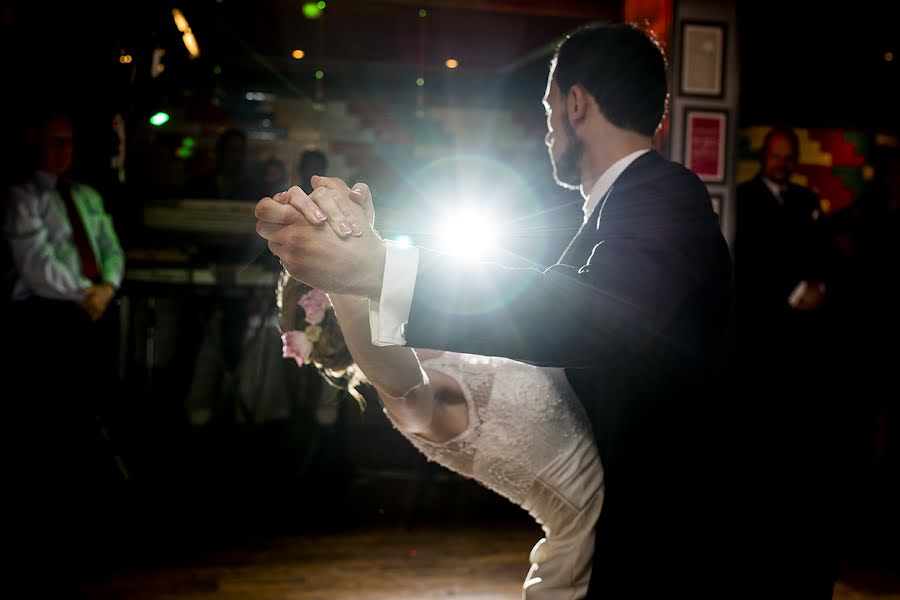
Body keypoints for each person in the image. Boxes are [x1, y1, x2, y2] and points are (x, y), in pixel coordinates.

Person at [257, 23, 759, 598]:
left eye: (547, 108)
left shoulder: (663, 193)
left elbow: (594, 318)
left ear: (574, 104)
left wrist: (377, 270)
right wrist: (358, 275)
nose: (546, 130)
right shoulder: (613, 215)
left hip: (692, 546)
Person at [276, 271, 604, 599]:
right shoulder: (406, 397)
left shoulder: (447, 344)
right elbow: (389, 371)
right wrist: (342, 282)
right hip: (589, 538)